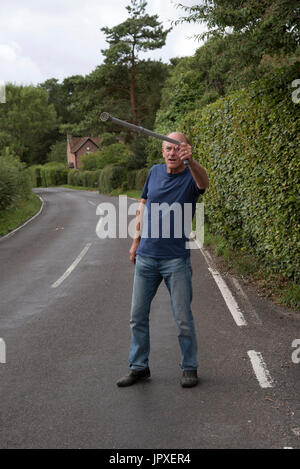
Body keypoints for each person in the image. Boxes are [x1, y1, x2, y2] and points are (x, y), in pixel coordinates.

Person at [117, 132, 209, 388]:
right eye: (167, 149)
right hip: (146, 258)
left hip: (176, 261)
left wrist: (193, 163)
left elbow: (204, 184)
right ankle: (139, 367)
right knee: (137, 316)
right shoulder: (154, 173)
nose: (171, 153)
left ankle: (189, 367)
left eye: (176, 149)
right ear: (162, 151)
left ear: (185, 151)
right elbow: (143, 206)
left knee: (182, 319)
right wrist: (135, 241)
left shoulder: (191, 176)